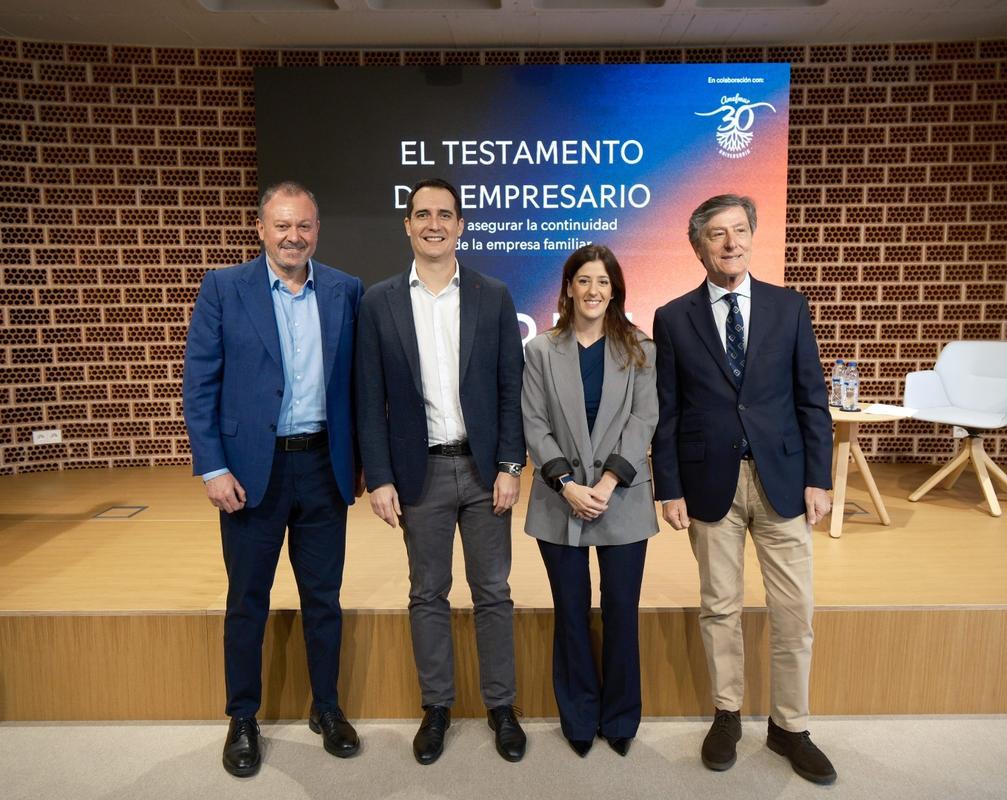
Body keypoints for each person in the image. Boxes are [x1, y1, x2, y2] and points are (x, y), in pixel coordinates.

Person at [651, 194, 836, 784]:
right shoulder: (672, 317)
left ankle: (790, 727)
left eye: (739, 231)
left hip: (784, 481)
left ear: (753, 236)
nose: (731, 243)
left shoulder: (789, 307)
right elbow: (668, 412)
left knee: (795, 612)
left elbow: (811, 398)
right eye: (717, 234)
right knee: (720, 607)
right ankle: (727, 715)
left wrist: (819, 477)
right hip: (710, 484)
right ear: (698, 246)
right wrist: (668, 487)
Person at [182, 181, 364, 778]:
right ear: (261, 230)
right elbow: (199, 384)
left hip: (322, 468)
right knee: (246, 601)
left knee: (324, 599)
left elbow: (359, 386)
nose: (293, 237)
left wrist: (363, 463)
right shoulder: (223, 287)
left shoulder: (345, 290)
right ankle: (243, 717)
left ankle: (326, 707)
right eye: (282, 225)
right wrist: (213, 466)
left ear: (317, 231)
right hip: (248, 472)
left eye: (304, 226)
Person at [355, 178, 527, 765]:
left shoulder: (491, 295)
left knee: (493, 592)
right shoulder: (378, 301)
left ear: (460, 226)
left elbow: (510, 388)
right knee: (427, 592)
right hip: (417, 473)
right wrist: (379, 477)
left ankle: (502, 706)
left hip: (483, 473)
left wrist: (510, 465)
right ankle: (437, 708)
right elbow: (368, 398)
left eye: (445, 215)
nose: (434, 224)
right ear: (407, 224)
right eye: (423, 214)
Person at [521, 244, 658, 758]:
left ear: (615, 290)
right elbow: (533, 422)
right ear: (568, 289)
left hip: (621, 497)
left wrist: (607, 482)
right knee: (571, 611)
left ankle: (620, 718)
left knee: (622, 610)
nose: (593, 290)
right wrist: (567, 484)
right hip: (561, 499)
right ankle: (578, 718)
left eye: (603, 281)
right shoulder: (541, 350)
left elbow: (644, 418)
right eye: (584, 280)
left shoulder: (640, 348)